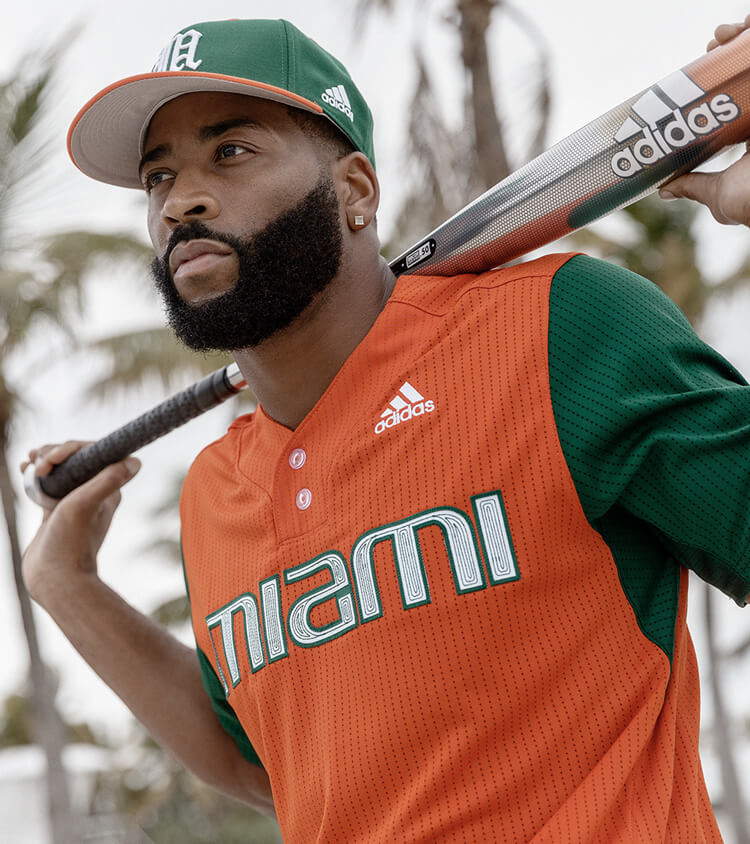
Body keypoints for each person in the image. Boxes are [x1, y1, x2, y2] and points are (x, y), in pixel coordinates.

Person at [21, 15, 750, 843]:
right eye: (157, 177)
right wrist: (67, 587)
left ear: (356, 192)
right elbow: (266, 767)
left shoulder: (557, 331)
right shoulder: (214, 494)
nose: (180, 201)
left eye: (230, 151)